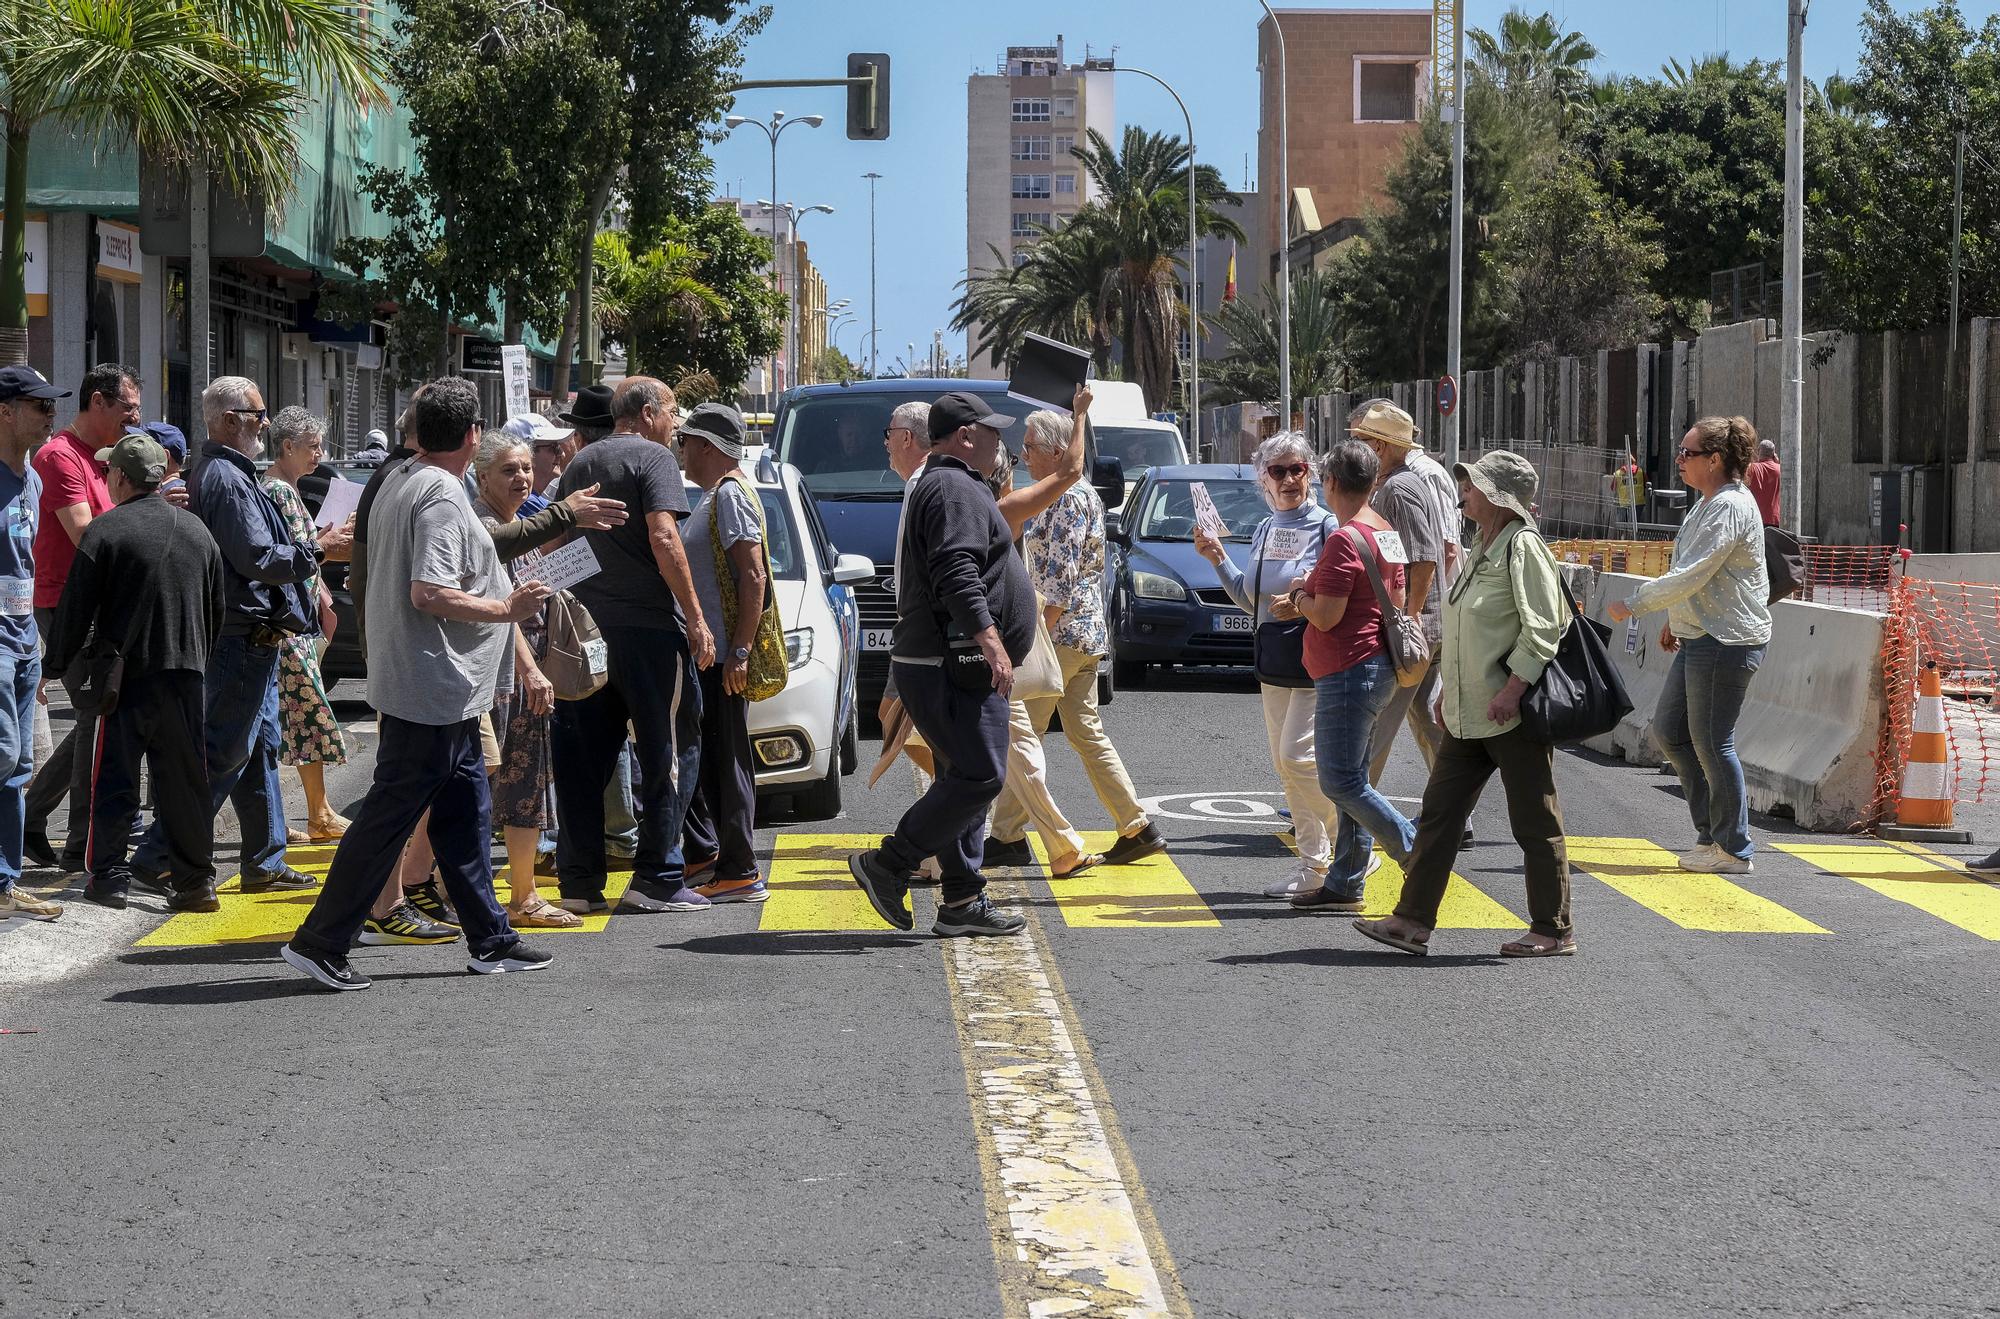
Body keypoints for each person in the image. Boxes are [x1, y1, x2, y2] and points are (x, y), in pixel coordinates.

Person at [282, 377, 556, 990]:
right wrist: (505, 610)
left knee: (464, 811)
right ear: (472, 435)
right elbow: (428, 591)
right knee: (387, 817)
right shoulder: (436, 492)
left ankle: (491, 938)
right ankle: (320, 941)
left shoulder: (404, 478)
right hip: (430, 685)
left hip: (440, 688)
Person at [1352, 451, 1575, 958]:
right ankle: (1411, 922)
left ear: (1498, 496)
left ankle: (1554, 928)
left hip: (1508, 713)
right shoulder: (1482, 545)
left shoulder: (1523, 547)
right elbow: (1465, 628)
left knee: (1534, 821)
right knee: (1439, 815)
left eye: (1473, 484)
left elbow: (1545, 627)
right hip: (1469, 712)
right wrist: (1449, 689)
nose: (1464, 491)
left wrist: (1512, 689)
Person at [846, 391, 1035, 939]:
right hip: (953, 662)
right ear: (967, 436)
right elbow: (956, 570)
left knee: (959, 777)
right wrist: (991, 639)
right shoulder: (952, 486)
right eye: (993, 432)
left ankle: (961, 900)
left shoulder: (953, 484)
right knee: (981, 775)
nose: (1003, 442)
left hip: (947, 661)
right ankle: (890, 864)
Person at [126, 376, 323, 896]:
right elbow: (256, 558)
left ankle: (264, 859)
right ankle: (157, 854)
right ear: (230, 419)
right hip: (240, 636)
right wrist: (318, 550)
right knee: (223, 752)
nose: (265, 422)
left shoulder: (225, 472)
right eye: (259, 414)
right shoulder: (227, 478)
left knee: (257, 748)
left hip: (249, 635)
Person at [550, 376, 715, 916]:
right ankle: (660, 876)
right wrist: (695, 618)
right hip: (649, 633)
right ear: (647, 413)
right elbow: (665, 538)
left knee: (582, 757)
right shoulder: (654, 458)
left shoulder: (580, 462)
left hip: (587, 634)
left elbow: (558, 541)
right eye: (671, 413)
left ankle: (577, 879)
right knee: (670, 749)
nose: (675, 425)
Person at [46, 434, 225, 911]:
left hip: (126, 678)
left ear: (121, 477)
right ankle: (196, 883)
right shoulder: (198, 532)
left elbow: (75, 608)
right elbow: (216, 609)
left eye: (109, 472)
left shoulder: (106, 531)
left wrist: (52, 667)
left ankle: (109, 877)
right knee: (186, 783)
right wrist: (195, 657)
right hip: (186, 673)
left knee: (115, 778)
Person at [990, 404, 1166, 869]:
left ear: (1054, 450)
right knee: (1082, 732)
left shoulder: (1065, 498)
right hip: (1083, 635)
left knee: (1021, 735)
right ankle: (1136, 824)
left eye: (1029, 446)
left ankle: (1008, 836)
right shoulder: (1079, 493)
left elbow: (1059, 581)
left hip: (1060, 634)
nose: (1023, 455)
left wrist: (1032, 642)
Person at [1609, 416, 1772, 876]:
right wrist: (1672, 619)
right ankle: (1712, 834)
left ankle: (1734, 847)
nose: (1678, 460)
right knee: (1671, 732)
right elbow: (1697, 576)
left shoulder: (1729, 507)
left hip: (1727, 641)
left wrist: (1636, 604)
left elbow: (1693, 571)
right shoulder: (1706, 504)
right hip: (1701, 634)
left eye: (1688, 453)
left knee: (1713, 742)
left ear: (1715, 460)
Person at [1194, 433, 1339, 899]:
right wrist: (1217, 557)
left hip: (1315, 657)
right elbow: (1250, 600)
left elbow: (1339, 596)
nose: (1290, 479)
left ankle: (1354, 838)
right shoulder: (1264, 529)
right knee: (1284, 763)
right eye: (1279, 471)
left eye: (1297, 469)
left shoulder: (1326, 527)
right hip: (1274, 660)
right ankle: (1314, 865)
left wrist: (1302, 605)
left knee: (1299, 758)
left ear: (1310, 473)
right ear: (1263, 480)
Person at [1290, 440, 1417, 913]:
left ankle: (1413, 848)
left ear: (1332, 483)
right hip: (1377, 666)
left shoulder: (1345, 538)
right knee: (1356, 777)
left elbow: (1325, 616)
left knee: (1340, 782)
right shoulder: (1384, 530)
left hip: (1349, 670)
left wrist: (1300, 596)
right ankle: (1345, 880)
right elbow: (1397, 601)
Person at [24, 362, 137, 871]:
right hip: (64, 605)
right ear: (98, 402)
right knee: (98, 714)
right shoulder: (60, 457)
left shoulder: (105, 457)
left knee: (99, 713)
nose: (135, 417)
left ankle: (32, 815)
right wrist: (148, 513)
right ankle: (81, 842)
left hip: (99, 604)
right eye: (127, 407)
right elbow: (86, 535)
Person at [471, 431, 579, 929]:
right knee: (477, 786)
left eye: (525, 469)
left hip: (528, 678)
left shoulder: (522, 525)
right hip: (495, 679)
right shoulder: (482, 527)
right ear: (483, 476)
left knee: (527, 787)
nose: (521, 478)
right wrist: (531, 671)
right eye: (509, 471)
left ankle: (523, 895)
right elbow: (504, 613)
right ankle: (448, 889)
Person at [677, 404, 771, 904]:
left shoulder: (730, 494)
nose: (682, 451)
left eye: (687, 441)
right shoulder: (717, 494)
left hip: (722, 655)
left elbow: (752, 576)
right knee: (713, 755)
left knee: (727, 755)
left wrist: (739, 650)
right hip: (711, 653)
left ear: (708, 447)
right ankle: (716, 857)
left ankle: (740, 869)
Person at [261, 407, 354, 842]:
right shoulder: (278, 491)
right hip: (289, 627)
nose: (319, 453)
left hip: (299, 622)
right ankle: (314, 814)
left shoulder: (288, 490)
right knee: (303, 717)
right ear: (286, 447)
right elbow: (294, 554)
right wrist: (326, 544)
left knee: (297, 721)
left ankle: (316, 812)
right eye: (312, 446)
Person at [1351, 401, 1453, 783]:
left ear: (1379, 447)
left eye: (1362, 440)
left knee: (1374, 727)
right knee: (1427, 719)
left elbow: (1423, 559)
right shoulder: (1397, 485)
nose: (1357, 448)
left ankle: (1353, 814)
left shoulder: (1399, 489)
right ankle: (1456, 813)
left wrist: (1408, 621)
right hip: (1419, 628)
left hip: (1412, 631)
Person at [0, 366, 64, 922]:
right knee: (1, 756)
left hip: (23, 640)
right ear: (5, 411)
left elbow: (26, 564)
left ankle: (4, 880)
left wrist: (35, 645)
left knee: (18, 762)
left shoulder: (33, 481)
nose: (49, 416)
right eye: (39, 406)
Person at [500, 413, 570, 514]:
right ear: (527, 454)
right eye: (553, 447)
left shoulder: (527, 500)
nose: (561, 454)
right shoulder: (526, 503)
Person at [1745, 438, 1781, 527]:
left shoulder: (1752, 468)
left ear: (1758, 451)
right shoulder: (1781, 469)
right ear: (1773, 454)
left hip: (1756, 518)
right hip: (1775, 519)